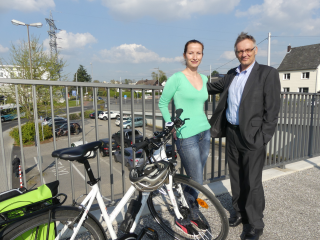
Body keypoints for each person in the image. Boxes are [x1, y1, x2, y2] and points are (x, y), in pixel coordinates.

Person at [207, 32, 280, 240]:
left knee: (253, 181)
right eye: (240, 51)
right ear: (236, 53)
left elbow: (272, 111)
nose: (244, 53)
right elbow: (210, 87)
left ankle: (255, 223)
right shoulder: (231, 74)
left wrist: (263, 137)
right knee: (237, 177)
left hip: (253, 136)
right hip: (232, 132)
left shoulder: (267, 73)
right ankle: (239, 212)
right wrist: (185, 81)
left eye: (248, 49)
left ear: (255, 50)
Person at [158, 39, 211, 236]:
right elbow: (163, 103)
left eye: (198, 53)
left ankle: (192, 211)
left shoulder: (205, 79)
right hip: (185, 134)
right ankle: (185, 216)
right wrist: (170, 125)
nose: (195, 56)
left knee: (195, 177)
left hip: (204, 131)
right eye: (191, 53)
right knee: (196, 178)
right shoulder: (176, 78)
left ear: (202, 56)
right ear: (184, 55)